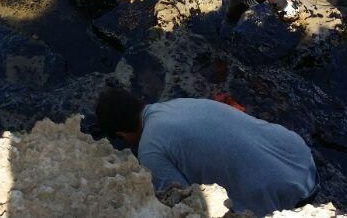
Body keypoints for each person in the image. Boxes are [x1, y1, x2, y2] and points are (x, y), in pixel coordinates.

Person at [96, 89, 318, 216]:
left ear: (122, 134)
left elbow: (185, 202)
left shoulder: (149, 150)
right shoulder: (177, 104)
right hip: (302, 159)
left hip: (284, 198)